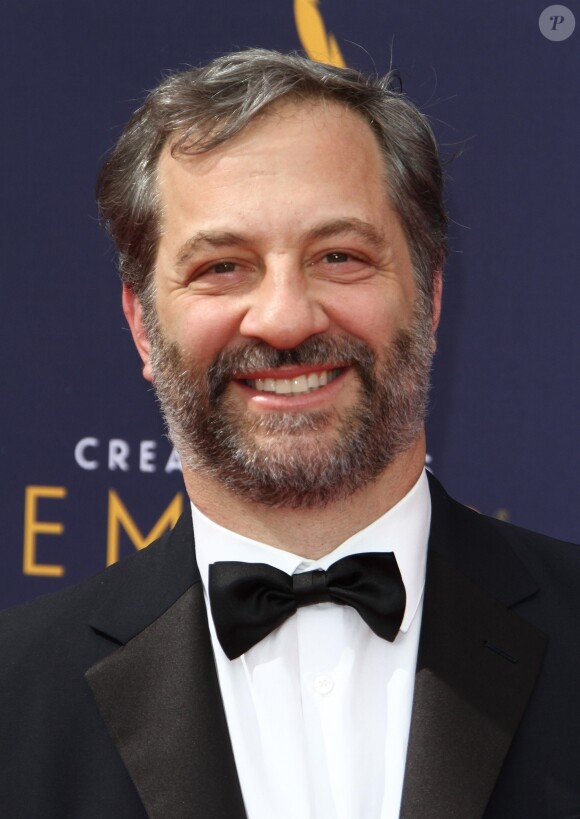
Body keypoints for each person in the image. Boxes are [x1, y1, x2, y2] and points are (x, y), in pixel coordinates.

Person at [1, 48, 579, 819]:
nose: (283, 319)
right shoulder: (16, 695)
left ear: (431, 295)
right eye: (222, 267)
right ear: (142, 325)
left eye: (339, 256)